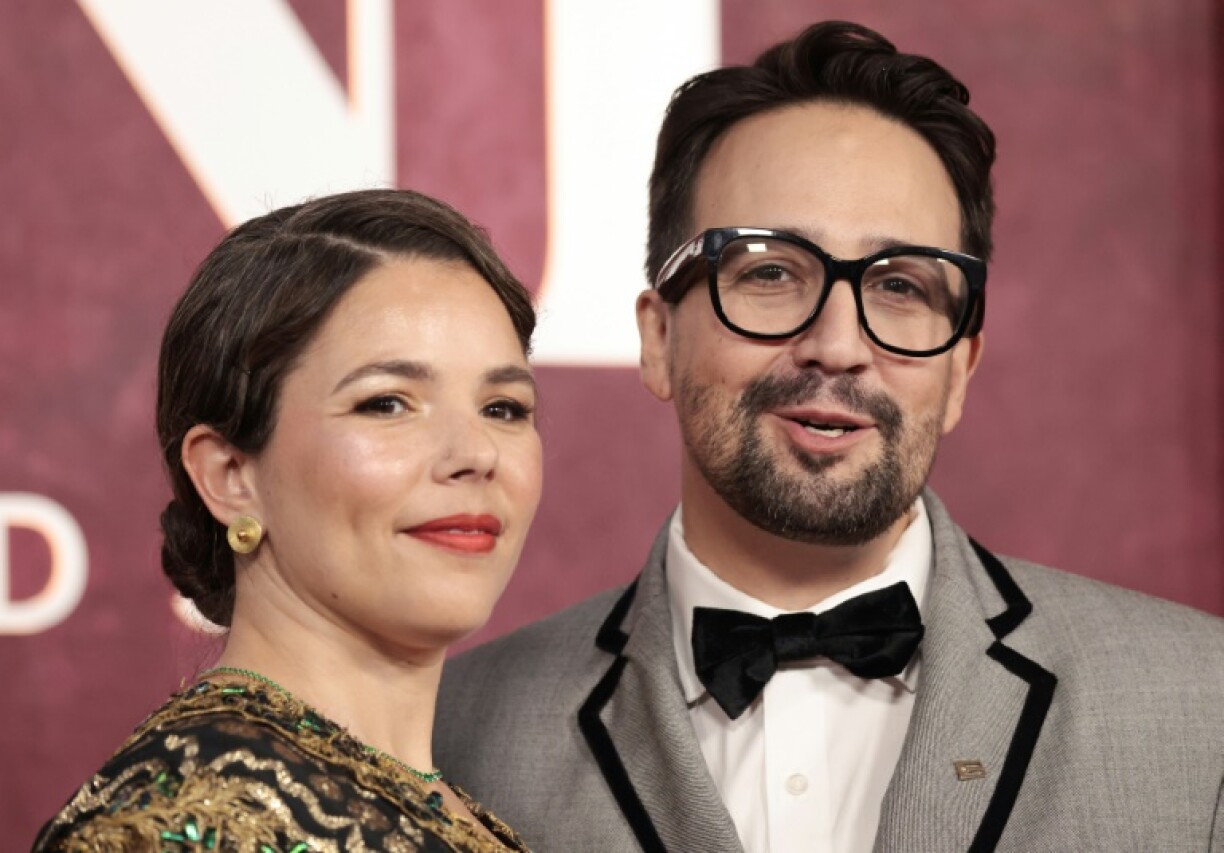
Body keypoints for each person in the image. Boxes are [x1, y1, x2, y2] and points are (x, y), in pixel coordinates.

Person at [434, 21, 1224, 853]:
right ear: (659, 338)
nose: (839, 345)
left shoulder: (1202, 704)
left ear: (960, 369)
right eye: (771, 272)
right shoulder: (452, 735)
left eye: (900, 286)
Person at [35, 189, 542, 851]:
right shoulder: (177, 828)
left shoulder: (451, 806)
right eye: (387, 403)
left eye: (504, 407)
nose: (475, 454)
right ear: (229, 475)